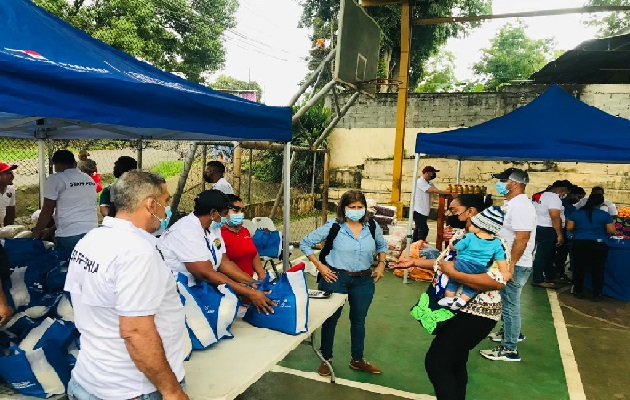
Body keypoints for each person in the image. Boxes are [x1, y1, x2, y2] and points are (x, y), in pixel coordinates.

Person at [64, 170, 188, 400]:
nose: (167, 208)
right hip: (133, 389)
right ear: (151, 205)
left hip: (89, 379)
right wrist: (172, 391)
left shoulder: (90, 240)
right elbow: (136, 332)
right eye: (166, 201)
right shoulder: (137, 252)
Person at [396, 194, 507, 400]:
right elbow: (443, 261)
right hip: (453, 309)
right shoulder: (461, 237)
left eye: (455, 211)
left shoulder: (497, 243)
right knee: (456, 361)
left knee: (437, 363)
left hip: (477, 313)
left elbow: (497, 281)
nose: (450, 214)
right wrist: (415, 263)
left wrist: (453, 273)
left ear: (471, 213)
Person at [300, 190, 387, 376]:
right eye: (352, 207)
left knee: (358, 320)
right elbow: (305, 243)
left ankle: (357, 359)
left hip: (363, 280)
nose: (356, 210)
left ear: (365, 208)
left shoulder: (372, 226)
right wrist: (320, 267)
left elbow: (382, 246)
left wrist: (381, 265)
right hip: (335, 278)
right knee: (330, 319)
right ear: (343, 208)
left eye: (360, 207)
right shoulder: (334, 226)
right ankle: (326, 358)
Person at [157, 190, 275, 314]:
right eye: (224, 214)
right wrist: (249, 292)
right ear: (213, 213)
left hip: (200, 289)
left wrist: (252, 283)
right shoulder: (186, 231)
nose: (225, 218)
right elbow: (205, 273)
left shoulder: (212, 227)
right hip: (177, 295)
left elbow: (224, 263)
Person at [481, 167, 536, 362]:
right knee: (506, 303)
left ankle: (509, 349)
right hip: (509, 262)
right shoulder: (512, 203)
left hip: (516, 264)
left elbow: (522, 238)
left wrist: (510, 266)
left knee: (511, 305)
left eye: (504, 180)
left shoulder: (521, 206)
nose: (500, 183)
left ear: (515, 183)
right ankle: (509, 333)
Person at [438, 206, 508, 310]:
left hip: (461, 264)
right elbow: (501, 259)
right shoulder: (497, 243)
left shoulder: (470, 237)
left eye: (472, 223)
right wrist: (505, 272)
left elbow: (456, 246)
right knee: (471, 286)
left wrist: (453, 244)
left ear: (479, 226)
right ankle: (462, 300)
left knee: (453, 281)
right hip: (479, 269)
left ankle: (449, 298)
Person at [32, 150, 98, 252]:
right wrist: (50, 230)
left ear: (57, 165)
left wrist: (35, 234)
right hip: (92, 233)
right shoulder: (88, 179)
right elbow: (77, 213)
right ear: (74, 163)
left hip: (69, 237)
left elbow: (47, 210)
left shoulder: (56, 179)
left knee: (66, 265)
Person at [566, 193, 616, 301]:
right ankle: (597, 294)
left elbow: (569, 227)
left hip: (580, 243)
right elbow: (611, 231)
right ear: (601, 203)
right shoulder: (604, 215)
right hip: (598, 244)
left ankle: (578, 291)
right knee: (598, 270)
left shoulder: (576, 213)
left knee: (579, 268)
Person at [531, 180, 570, 288]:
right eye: (565, 192)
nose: (564, 195)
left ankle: (550, 276)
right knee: (542, 255)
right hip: (548, 229)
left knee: (548, 255)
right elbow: (554, 216)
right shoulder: (554, 198)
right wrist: (559, 234)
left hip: (537, 226)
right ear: (562, 190)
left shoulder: (539, 195)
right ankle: (538, 279)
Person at [221, 194, 266, 280]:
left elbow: (253, 253)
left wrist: (261, 274)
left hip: (250, 282)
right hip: (232, 285)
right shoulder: (218, 234)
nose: (241, 214)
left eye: (242, 210)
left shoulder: (244, 231)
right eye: (236, 211)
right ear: (224, 212)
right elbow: (223, 265)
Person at [554, 184, 585, 283]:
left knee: (562, 254)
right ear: (571, 194)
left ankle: (559, 272)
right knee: (561, 254)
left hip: (566, 233)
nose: (578, 200)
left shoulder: (571, 207)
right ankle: (559, 273)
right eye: (578, 197)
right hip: (563, 232)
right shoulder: (564, 205)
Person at [413, 166, 450, 242]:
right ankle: (420, 243)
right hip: (418, 210)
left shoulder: (429, 183)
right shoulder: (420, 182)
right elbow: (432, 190)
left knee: (418, 228)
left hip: (424, 210)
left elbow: (436, 190)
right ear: (427, 173)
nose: (433, 175)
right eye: (433, 173)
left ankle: (415, 243)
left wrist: (444, 192)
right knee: (423, 229)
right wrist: (447, 192)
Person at [0, 162, 17, 227]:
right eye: (8, 173)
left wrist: (8, 230)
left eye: (12, 172)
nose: (12, 175)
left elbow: (10, 212)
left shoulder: (10, 189)